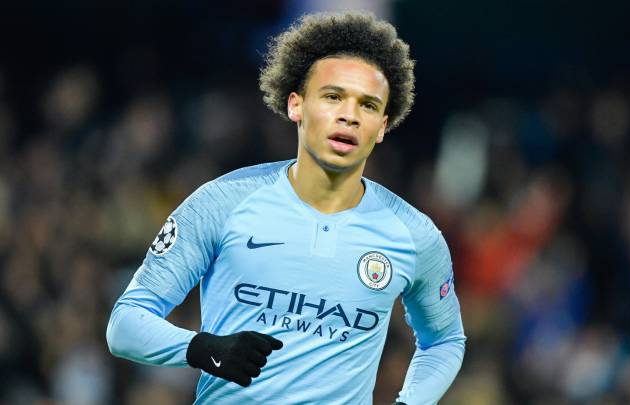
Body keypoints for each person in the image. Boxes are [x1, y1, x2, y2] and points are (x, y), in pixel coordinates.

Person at [106, 12, 465, 404]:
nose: (348, 115)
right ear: (296, 105)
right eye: (333, 97)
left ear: (382, 126)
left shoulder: (413, 235)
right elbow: (125, 323)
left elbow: (444, 341)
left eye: (367, 105)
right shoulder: (222, 202)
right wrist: (203, 349)